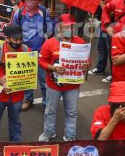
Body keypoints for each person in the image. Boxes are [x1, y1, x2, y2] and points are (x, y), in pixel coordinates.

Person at [38, 14, 91, 142]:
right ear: (59, 27)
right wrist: (53, 68)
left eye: (72, 26)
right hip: (54, 85)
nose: (69, 29)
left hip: (73, 85)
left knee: (72, 112)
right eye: (66, 26)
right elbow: (41, 61)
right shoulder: (50, 43)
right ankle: (48, 132)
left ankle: (70, 135)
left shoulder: (80, 42)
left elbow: (87, 61)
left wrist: (87, 65)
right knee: (50, 110)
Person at [11, 0, 54, 110]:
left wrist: (50, 19)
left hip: (41, 52)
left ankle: (47, 102)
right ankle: (28, 99)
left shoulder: (44, 12)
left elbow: (50, 33)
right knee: (26, 79)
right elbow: (15, 31)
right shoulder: (19, 13)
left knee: (44, 80)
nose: (33, 1)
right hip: (24, 51)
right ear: (25, 0)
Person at [0, 24, 29, 142]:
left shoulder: (26, 51)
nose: (18, 42)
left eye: (20, 39)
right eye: (15, 39)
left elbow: (31, 72)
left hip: (17, 96)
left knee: (15, 121)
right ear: (7, 39)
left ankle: (16, 145)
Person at [90, 0, 125, 79]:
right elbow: (105, 4)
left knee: (111, 52)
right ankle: (100, 67)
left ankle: (113, 73)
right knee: (101, 49)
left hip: (112, 29)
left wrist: (99, 1)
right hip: (104, 26)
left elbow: (109, 13)